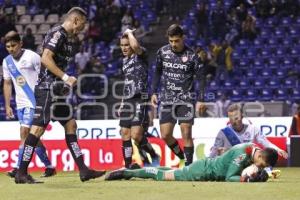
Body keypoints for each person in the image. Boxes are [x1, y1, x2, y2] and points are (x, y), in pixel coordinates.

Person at [14, 7, 106, 184]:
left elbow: (56, 63)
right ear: (76, 21)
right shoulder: (58, 33)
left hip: (56, 89)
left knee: (70, 124)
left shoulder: (70, 39)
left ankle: (84, 170)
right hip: (47, 88)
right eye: (83, 24)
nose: (83, 28)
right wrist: (65, 77)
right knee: (37, 129)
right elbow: (46, 58)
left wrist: (63, 83)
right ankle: (21, 173)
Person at [2, 31, 56, 178]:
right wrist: (8, 105)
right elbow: (7, 83)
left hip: (35, 102)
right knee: (33, 138)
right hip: (20, 104)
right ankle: (49, 167)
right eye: (8, 46)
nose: (11, 49)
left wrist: (47, 98)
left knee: (24, 133)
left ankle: (18, 168)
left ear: (21, 44)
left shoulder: (32, 57)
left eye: (13, 45)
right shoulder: (7, 62)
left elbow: (45, 77)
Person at [151, 24, 206, 167]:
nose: (173, 44)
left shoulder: (192, 56)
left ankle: (189, 166)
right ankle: (182, 157)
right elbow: (157, 72)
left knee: (186, 132)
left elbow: (201, 78)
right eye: (171, 41)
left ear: (183, 38)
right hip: (167, 99)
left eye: (176, 41)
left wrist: (200, 99)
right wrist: (154, 92)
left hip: (185, 99)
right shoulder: (162, 52)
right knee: (165, 135)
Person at [105, 143, 277, 182]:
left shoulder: (252, 149)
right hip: (200, 172)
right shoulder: (242, 154)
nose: (259, 167)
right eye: (261, 165)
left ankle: (138, 169)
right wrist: (246, 180)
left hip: (203, 166)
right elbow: (229, 177)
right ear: (260, 156)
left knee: (168, 170)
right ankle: (127, 172)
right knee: (162, 176)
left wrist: (264, 173)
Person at [118, 28, 160, 169]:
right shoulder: (124, 62)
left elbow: (136, 46)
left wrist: (129, 33)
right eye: (122, 45)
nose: (124, 48)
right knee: (124, 133)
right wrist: (122, 102)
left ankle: (153, 155)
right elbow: (127, 83)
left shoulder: (141, 55)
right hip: (128, 100)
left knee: (136, 136)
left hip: (140, 98)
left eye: (127, 45)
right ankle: (128, 166)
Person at [210, 104, 288, 159]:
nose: (233, 121)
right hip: (229, 164)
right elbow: (213, 154)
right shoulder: (223, 132)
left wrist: (278, 150)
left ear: (242, 116)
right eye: (231, 118)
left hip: (248, 163)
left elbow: (266, 143)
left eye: (236, 118)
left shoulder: (252, 129)